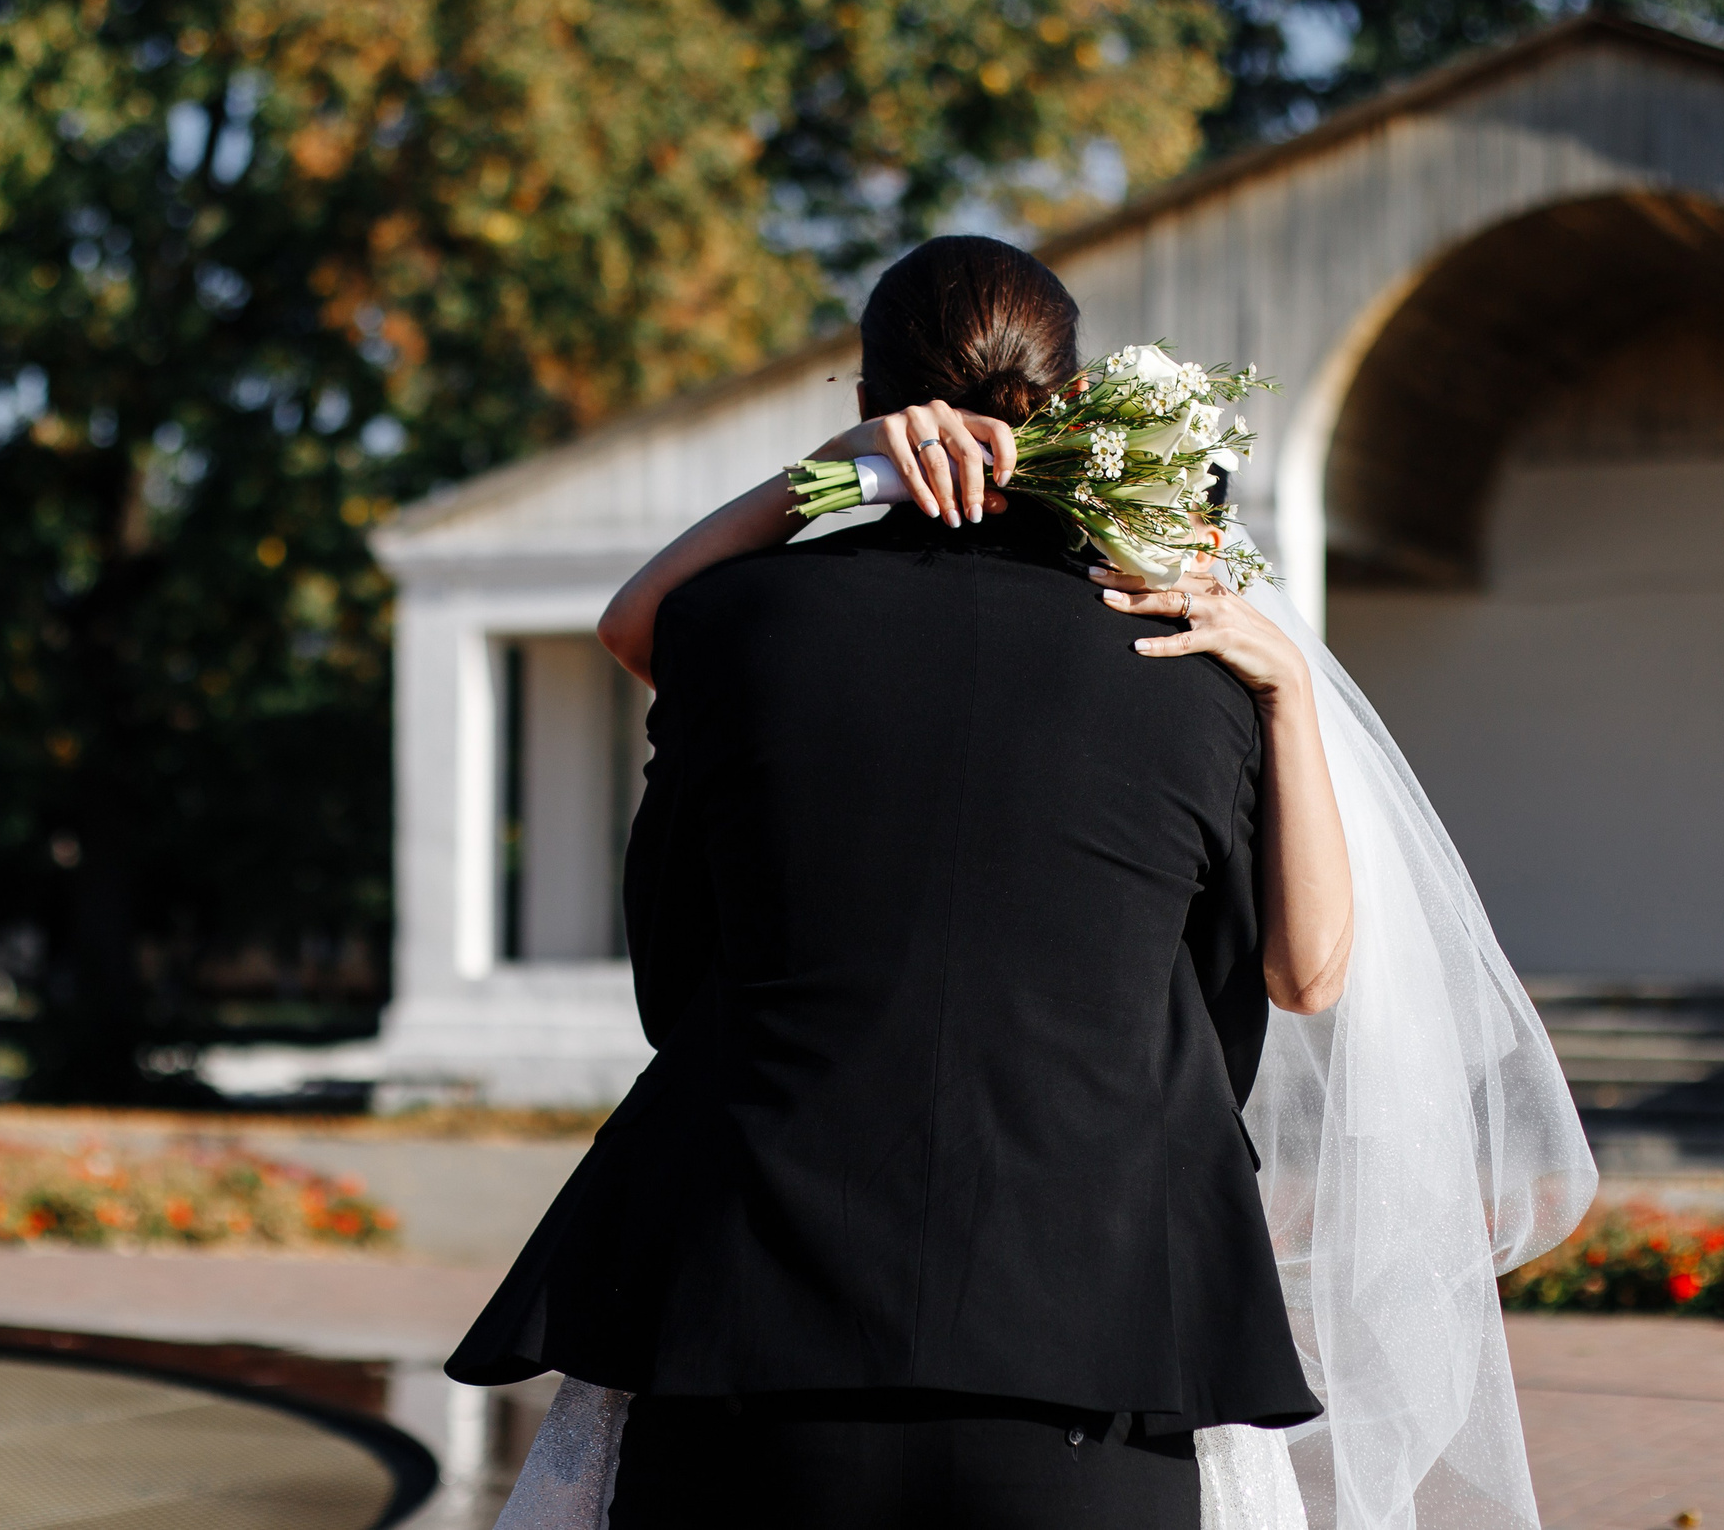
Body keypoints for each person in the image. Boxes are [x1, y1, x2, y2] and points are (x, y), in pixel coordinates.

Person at [463, 237, 1598, 1530]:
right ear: (1072, 403)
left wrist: (822, 485)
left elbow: (636, 629)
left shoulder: (736, 628)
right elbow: (1310, 974)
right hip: (1103, 1334)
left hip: (748, 1315)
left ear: (866, 409)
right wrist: (1280, 693)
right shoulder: (1190, 656)